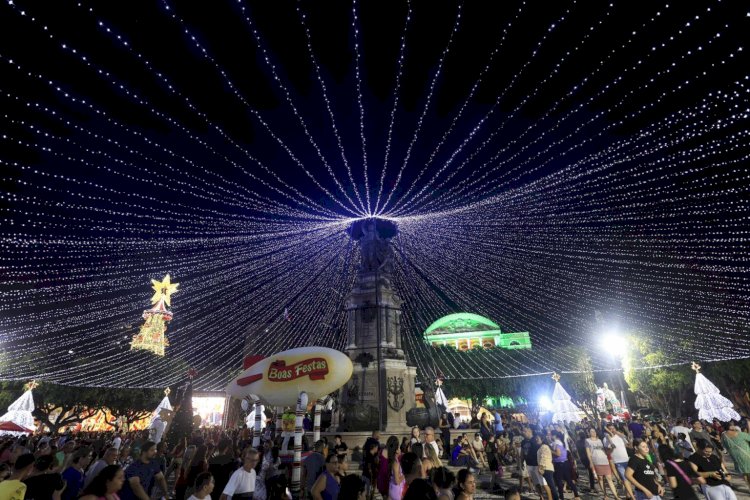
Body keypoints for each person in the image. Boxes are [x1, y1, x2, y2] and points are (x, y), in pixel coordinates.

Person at [586, 428, 619, 499]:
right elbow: (588, 453)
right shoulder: (587, 441)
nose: (594, 432)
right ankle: (605, 495)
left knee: (609, 478)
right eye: (591, 431)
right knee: (600, 479)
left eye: (594, 431)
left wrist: (611, 449)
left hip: (605, 460)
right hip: (596, 461)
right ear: (588, 433)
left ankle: (616, 496)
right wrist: (591, 462)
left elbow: (605, 451)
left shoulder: (600, 440)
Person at [604, 423, 634, 500]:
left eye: (613, 428)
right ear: (607, 430)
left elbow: (629, 446)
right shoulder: (606, 439)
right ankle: (631, 496)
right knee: (625, 479)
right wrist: (612, 448)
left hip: (627, 460)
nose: (612, 430)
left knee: (629, 478)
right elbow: (607, 452)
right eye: (610, 429)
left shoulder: (619, 436)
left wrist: (629, 437)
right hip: (618, 462)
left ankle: (628, 495)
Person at [551, 431, 579, 500]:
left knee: (559, 481)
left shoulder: (556, 443)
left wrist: (550, 451)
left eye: (551, 435)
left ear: (554, 435)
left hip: (559, 464)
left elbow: (558, 454)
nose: (550, 436)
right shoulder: (562, 441)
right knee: (569, 480)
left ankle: (561, 497)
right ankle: (576, 495)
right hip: (565, 463)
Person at [721, 425, 750, 490]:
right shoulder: (741, 434)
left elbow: (725, 447)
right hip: (747, 456)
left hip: (736, 458)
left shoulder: (724, 436)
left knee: (744, 474)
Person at [535, 434, 559, 500]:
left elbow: (543, 457)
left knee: (552, 486)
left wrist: (540, 468)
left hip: (546, 468)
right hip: (546, 468)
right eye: (536, 438)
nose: (536, 439)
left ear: (542, 439)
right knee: (551, 486)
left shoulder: (544, 446)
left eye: (538, 438)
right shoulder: (543, 447)